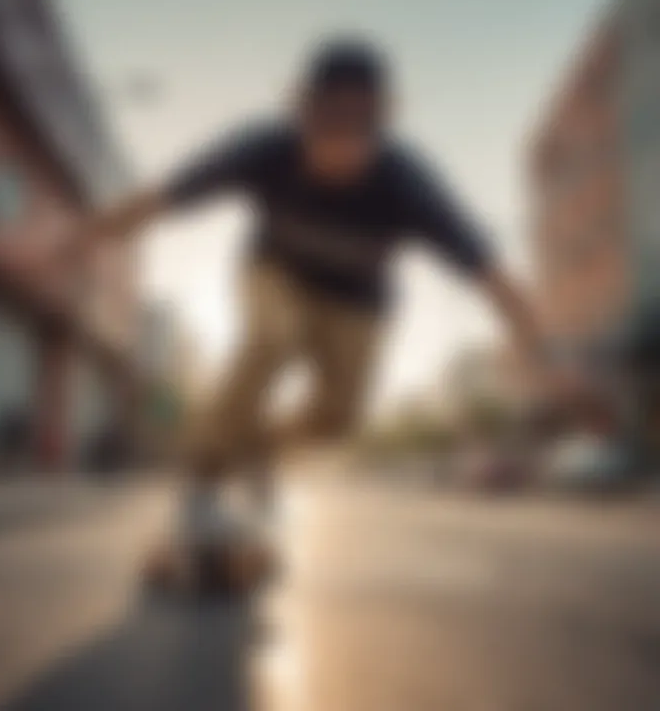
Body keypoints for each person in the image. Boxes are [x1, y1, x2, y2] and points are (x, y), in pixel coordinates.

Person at [54, 37, 576, 585]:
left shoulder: (407, 180)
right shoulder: (261, 147)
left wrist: (545, 351)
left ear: (382, 122)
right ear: (301, 112)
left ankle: (259, 451)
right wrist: (76, 237)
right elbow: (160, 199)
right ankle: (203, 488)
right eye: (328, 123)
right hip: (274, 275)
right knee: (270, 338)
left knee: (339, 417)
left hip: (360, 305)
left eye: (362, 127)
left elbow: (491, 274)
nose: (344, 145)